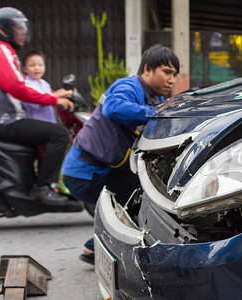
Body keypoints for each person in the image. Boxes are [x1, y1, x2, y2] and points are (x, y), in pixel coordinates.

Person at [62, 44, 179, 264]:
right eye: (167, 72)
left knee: (143, 192)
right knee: (142, 196)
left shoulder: (155, 99)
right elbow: (114, 108)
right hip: (85, 173)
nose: (172, 80)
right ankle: (95, 247)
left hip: (105, 170)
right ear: (147, 70)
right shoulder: (129, 86)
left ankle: (96, 247)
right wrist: (157, 114)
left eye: (175, 74)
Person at [0, 7, 74, 205]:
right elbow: (17, 86)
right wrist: (54, 100)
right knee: (58, 133)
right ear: (4, 29)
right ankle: (43, 187)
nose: (22, 32)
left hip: (7, 119)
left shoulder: (6, 50)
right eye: (17, 27)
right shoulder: (2, 49)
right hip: (7, 121)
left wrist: (52, 94)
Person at [21, 50, 71, 123]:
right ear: (24, 68)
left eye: (40, 65)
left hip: (49, 121)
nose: (37, 68)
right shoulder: (26, 84)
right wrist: (60, 94)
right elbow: (42, 100)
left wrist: (63, 93)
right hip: (36, 122)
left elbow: (51, 94)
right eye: (32, 65)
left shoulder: (44, 83)